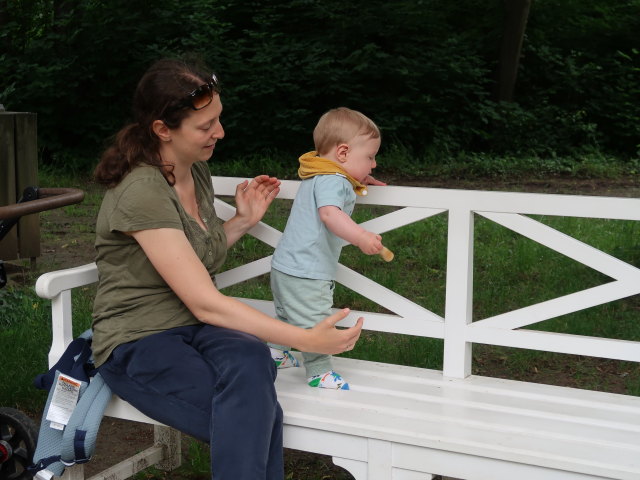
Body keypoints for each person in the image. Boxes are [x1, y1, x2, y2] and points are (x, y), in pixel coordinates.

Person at [90, 58, 364, 480]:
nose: (220, 132)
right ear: (163, 129)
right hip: (138, 339)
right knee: (254, 417)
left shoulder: (193, 170)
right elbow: (206, 303)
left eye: (218, 119)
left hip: (195, 329)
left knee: (252, 356)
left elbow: (194, 260)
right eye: (205, 126)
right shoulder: (141, 191)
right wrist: (306, 338)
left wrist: (241, 222)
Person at [269, 107, 384, 390]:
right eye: (369, 157)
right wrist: (360, 236)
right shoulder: (334, 180)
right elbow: (330, 214)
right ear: (343, 154)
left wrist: (357, 178)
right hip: (308, 270)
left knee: (288, 313)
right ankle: (318, 371)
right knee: (316, 321)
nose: (374, 164)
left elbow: (335, 188)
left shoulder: (319, 173)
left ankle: (275, 354)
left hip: (286, 265)